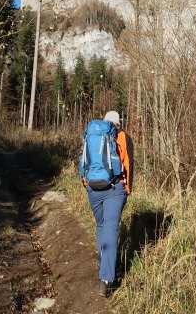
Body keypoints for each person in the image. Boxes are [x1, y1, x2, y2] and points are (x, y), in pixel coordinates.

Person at [83, 110, 133, 297]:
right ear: (118, 122)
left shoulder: (91, 133)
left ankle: (103, 262)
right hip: (115, 188)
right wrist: (127, 189)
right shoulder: (122, 136)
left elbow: (84, 161)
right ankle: (106, 278)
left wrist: (86, 183)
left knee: (101, 226)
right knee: (111, 227)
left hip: (93, 187)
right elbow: (127, 164)